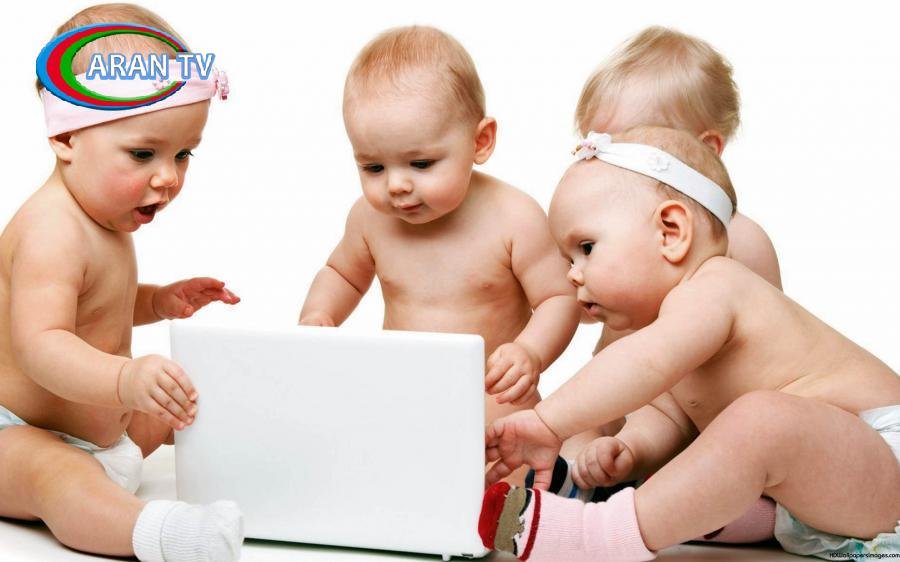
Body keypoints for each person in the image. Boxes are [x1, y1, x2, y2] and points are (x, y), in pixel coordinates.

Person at [480, 126, 900, 561]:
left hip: (884, 452)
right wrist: (631, 450)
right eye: (568, 259)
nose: (572, 273)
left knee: (761, 420)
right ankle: (610, 503)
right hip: (823, 491)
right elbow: (669, 416)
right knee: (711, 457)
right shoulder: (676, 328)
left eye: (586, 247)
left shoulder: (716, 286)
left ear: (671, 232)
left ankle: (600, 536)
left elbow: (644, 364)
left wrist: (548, 421)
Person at [0, 4, 244, 560]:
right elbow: (41, 344)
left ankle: (264, 447)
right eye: (142, 154)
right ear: (66, 137)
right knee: (55, 476)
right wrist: (126, 378)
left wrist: (157, 301)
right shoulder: (50, 230)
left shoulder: (104, 218)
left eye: (183, 154)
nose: (169, 176)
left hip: (110, 432)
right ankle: (166, 534)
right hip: (22, 434)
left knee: (190, 397)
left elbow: (95, 306)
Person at [298, 26, 580, 483]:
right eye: (373, 166)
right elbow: (342, 274)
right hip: (399, 405)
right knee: (379, 480)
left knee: (504, 498)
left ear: (480, 142)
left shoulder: (514, 217)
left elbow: (559, 298)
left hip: (493, 415)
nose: (396, 185)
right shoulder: (369, 220)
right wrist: (319, 314)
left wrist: (530, 351)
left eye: (421, 163)